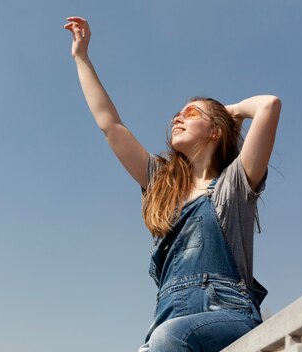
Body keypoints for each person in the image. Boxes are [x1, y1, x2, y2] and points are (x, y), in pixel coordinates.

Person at [63, 16, 282, 351]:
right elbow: (111, 127)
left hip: (227, 314)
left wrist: (232, 111)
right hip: (167, 322)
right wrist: (82, 58)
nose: (178, 117)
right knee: (163, 339)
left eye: (192, 113)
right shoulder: (163, 185)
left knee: (169, 338)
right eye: (178, 114)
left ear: (216, 131)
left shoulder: (232, 187)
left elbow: (268, 105)